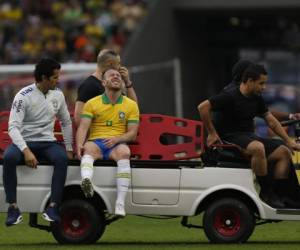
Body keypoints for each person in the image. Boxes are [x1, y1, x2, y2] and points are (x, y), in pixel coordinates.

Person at [198, 64, 300, 208]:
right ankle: (266, 193)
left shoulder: (257, 98)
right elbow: (203, 107)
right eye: (261, 83)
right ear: (249, 81)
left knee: (283, 151)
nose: (264, 87)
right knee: (258, 148)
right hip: (229, 138)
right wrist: (212, 133)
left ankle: (284, 197)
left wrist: (289, 141)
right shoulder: (229, 96)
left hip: (248, 137)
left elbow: (271, 121)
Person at [3, 58, 73, 226]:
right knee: (9, 158)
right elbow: (13, 127)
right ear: (44, 77)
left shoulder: (58, 95)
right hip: (24, 142)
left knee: (62, 159)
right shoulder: (22, 96)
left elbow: (66, 122)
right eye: (55, 77)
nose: (58, 80)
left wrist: (69, 148)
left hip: (48, 142)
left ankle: (53, 207)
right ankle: (13, 208)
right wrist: (26, 151)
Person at [76, 68, 139, 217]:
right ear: (104, 82)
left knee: (125, 152)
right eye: (112, 75)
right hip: (96, 142)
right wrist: (79, 144)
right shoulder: (92, 103)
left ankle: (120, 204)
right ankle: (86, 180)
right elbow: (83, 127)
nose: (116, 77)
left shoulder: (131, 105)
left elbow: (132, 134)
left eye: (118, 76)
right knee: (88, 148)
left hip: (117, 143)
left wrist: (117, 139)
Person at [74, 49, 138, 126]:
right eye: (118, 63)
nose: (120, 67)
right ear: (110, 63)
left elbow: (134, 108)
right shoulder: (88, 85)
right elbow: (78, 119)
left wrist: (127, 82)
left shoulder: (114, 84)